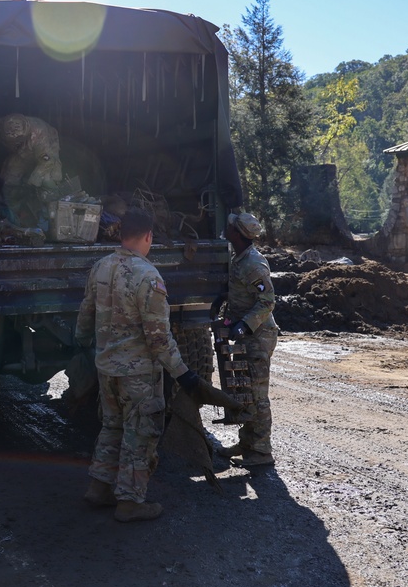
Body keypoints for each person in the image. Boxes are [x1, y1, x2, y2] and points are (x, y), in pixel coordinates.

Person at [74, 208, 206, 523]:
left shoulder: (101, 267)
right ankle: (130, 502)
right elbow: (159, 340)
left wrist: (82, 343)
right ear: (148, 236)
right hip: (138, 375)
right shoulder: (149, 277)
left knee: (112, 426)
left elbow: (85, 314)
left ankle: (99, 487)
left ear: (122, 234)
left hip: (107, 368)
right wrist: (183, 374)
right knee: (140, 433)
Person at [215, 212, 278, 467]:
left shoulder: (253, 263)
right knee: (246, 390)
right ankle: (247, 443)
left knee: (258, 394)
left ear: (237, 234)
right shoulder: (238, 258)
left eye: (230, 227)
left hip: (259, 335)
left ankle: (262, 452)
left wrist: (244, 325)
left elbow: (267, 301)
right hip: (246, 334)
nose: (226, 228)